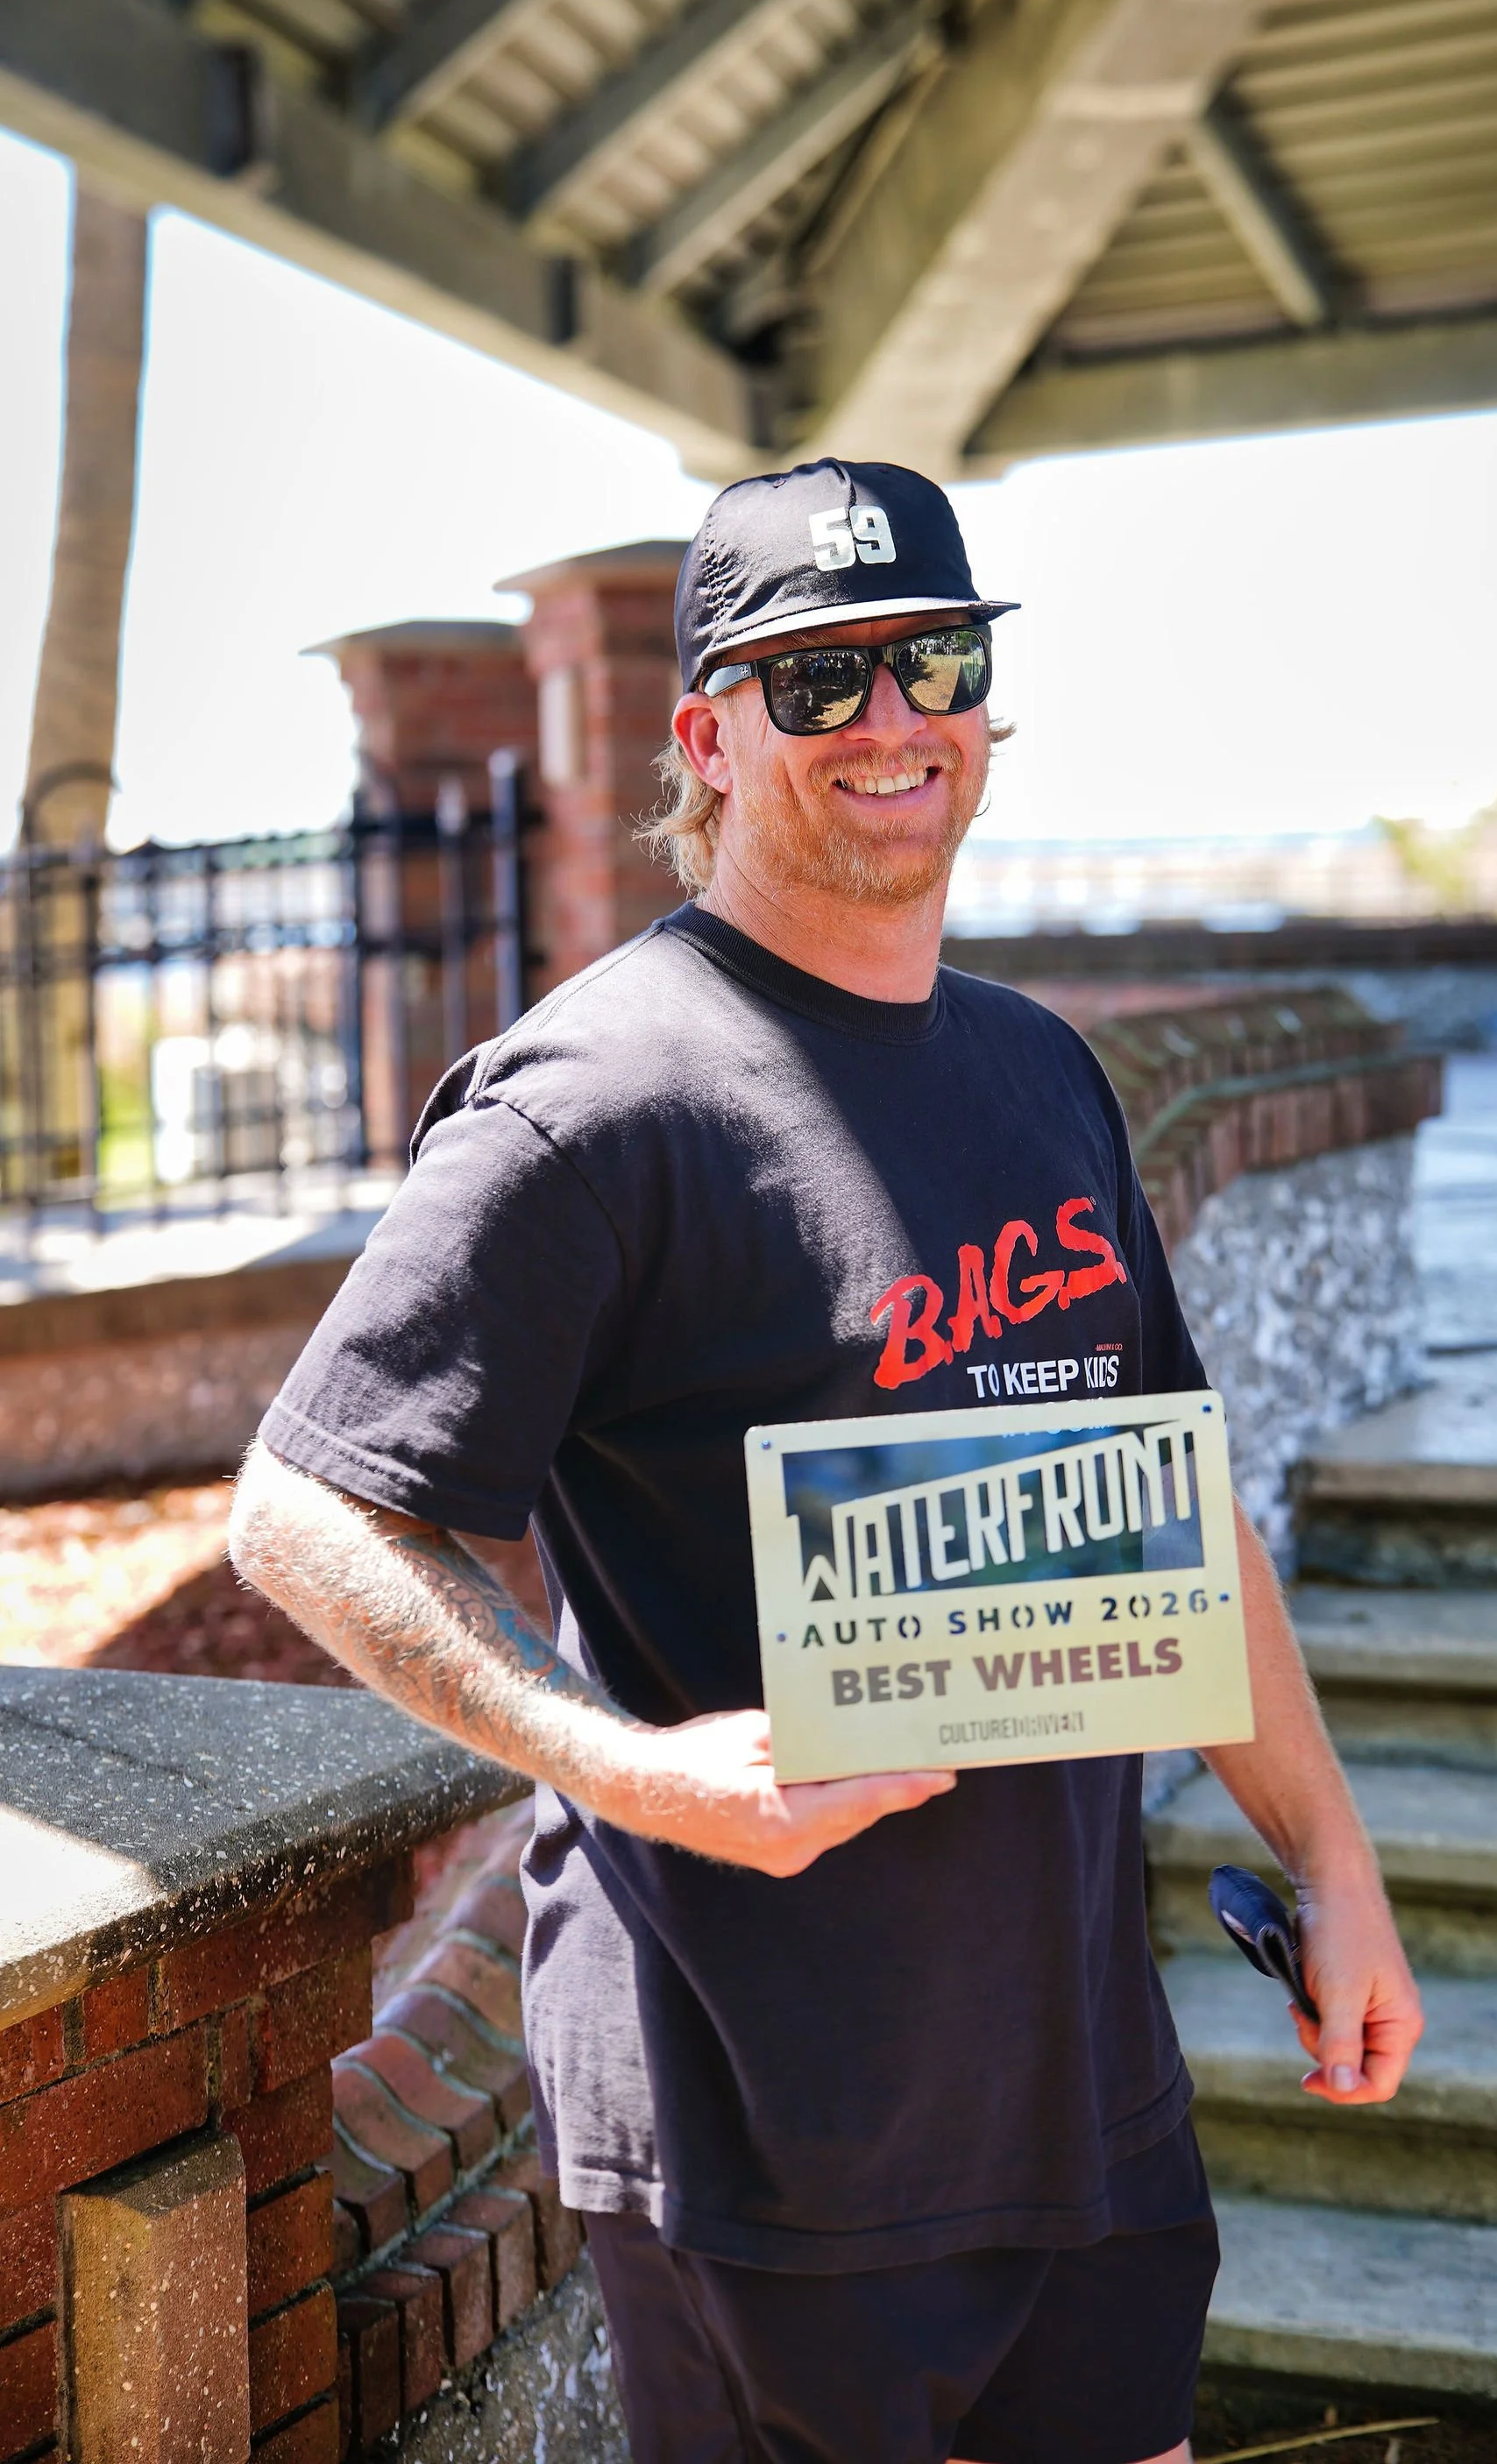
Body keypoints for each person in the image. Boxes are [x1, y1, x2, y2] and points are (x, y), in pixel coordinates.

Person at [231, 457, 1423, 2464]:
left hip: (1082, 2089)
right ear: (705, 733)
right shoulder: (590, 1102)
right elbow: (300, 1507)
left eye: (931, 662)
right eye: (818, 681)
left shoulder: (1042, 1072)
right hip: (760, 2123)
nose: (889, 719)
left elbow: (1172, 1511)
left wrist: (1333, 1857)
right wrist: (624, 1764)